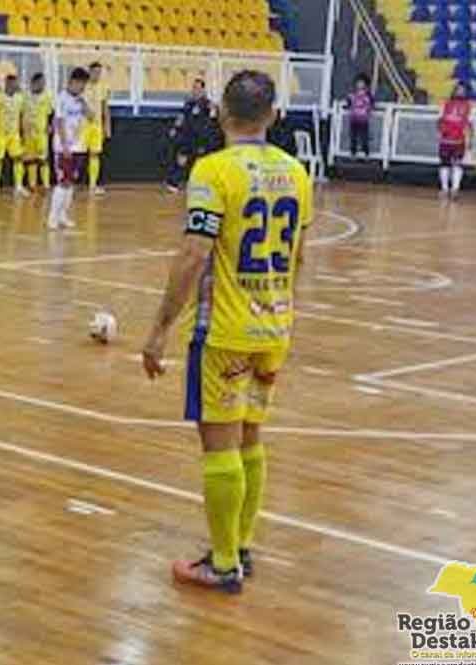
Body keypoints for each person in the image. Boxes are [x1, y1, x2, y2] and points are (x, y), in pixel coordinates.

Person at [141, 70, 313, 594]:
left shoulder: (213, 172)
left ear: (220, 113)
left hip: (224, 328)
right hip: (274, 324)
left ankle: (222, 563)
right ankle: (240, 546)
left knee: (219, 444)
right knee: (251, 436)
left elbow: (195, 252)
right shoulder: (296, 172)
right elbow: (300, 257)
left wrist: (158, 328)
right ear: (274, 115)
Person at [47, 67, 91, 230]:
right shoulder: (61, 98)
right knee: (63, 182)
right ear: (73, 82)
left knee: (71, 182)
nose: (82, 88)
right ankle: (52, 217)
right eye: (81, 84)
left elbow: (91, 116)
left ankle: (63, 215)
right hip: (63, 146)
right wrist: (64, 145)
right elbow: (58, 122)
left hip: (78, 145)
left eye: (84, 85)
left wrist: (84, 103)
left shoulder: (81, 99)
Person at [165, 78, 217, 193]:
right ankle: (174, 182)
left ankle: (201, 185)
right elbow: (181, 117)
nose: (195, 90)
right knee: (181, 159)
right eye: (194, 88)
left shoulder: (208, 105)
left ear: (203, 90)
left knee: (200, 163)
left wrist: (208, 136)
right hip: (188, 137)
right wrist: (175, 128)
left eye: (198, 88)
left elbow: (212, 121)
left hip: (201, 138)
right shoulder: (188, 103)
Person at [0, 74, 29, 198]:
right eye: (12, 83)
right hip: (0, 134)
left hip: (14, 134)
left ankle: (19, 186)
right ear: (7, 84)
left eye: (16, 83)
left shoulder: (20, 98)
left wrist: (23, 130)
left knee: (18, 159)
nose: (15, 85)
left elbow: (22, 115)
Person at [437, 82, 473, 200]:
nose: (459, 92)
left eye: (462, 90)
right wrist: (440, 133)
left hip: (459, 140)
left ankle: (455, 190)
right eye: (458, 89)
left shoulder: (468, 106)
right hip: (445, 139)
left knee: (458, 164)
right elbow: (439, 120)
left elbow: (470, 124)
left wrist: (469, 140)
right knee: (444, 164)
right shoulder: (446, 104)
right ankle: (444, 189)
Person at [23, 73, 54, 193]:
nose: (42, 85)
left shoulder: (46, 97)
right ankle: (32, 184)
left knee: (43, 159)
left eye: (44, 83)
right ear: (33, 83)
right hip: (28, 133)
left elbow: (51, 113)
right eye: (40, 82)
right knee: (31, 159)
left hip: (41, 133)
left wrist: (50, 125)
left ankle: (46, 184)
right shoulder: (25, 97)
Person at [83, 62, 111, 196]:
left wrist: (107, 126)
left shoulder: (103, 87)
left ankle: (92, 186)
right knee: (78, 154)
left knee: (94, 154)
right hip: (82, 126)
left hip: (97, 126)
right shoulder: (82, 86)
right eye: (95, 72)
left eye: (99, 72)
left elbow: (105, 107)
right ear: (89, 72)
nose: (97, 75)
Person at [346, 74, 374, 159]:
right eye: (358, 83)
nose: (359, 84)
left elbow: (371, 104)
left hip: (363, 119)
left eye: (361, 83)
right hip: (354, 118)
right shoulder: (353, 94)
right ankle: (353, 153)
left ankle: (366, 153)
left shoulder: (367, 95)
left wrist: (368, 110)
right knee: (353, 137)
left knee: (364, 137)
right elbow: (349, 103)